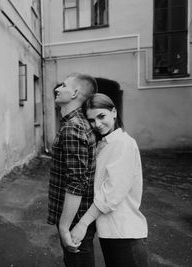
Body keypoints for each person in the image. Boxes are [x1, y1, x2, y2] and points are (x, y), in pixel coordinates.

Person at [71, 93, 149, 267]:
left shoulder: (123, 143)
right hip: (111, 233)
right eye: (92, 120)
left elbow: (111, 193)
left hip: (126, 234)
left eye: (101, 116)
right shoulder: (105, 143)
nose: (97, 124)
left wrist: (82, 224)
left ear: (114, 112)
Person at [47, 73, 98, 267]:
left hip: (75, 218)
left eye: (63, 86)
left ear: (75, 92)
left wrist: (64, 226)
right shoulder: (79, 123)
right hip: (80, 214)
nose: (58, 89)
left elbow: (76, 182)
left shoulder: (72, 128)